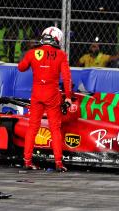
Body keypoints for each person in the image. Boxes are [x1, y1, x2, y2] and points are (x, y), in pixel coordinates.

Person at [18, 26, 72, 172]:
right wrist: (68, 97)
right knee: (55, 129)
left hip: (36, 94)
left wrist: (28, 55)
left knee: (33, 127)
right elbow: (66, 78)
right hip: (52, 94)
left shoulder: (32, 53)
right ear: (57, 39)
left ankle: (27, 161)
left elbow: (21, 67)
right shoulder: (60, 55)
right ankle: (58, 163)